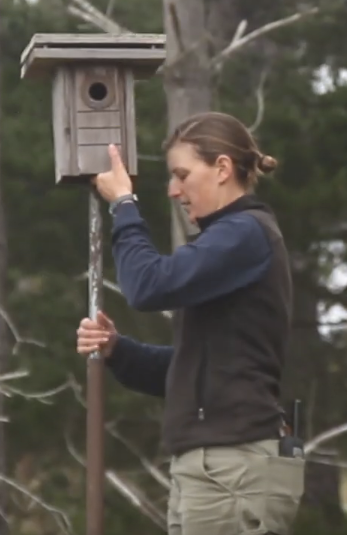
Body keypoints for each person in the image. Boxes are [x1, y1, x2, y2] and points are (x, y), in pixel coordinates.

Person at [76, 111, 305, 535]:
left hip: (231, 470)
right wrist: (118, 350)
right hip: (214, 469)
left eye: (182, 174)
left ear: (222, 168)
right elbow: (194, 368)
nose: (173, 190)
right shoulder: (231, 241)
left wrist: (124, 205)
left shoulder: (243, 234)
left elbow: (147, 286)